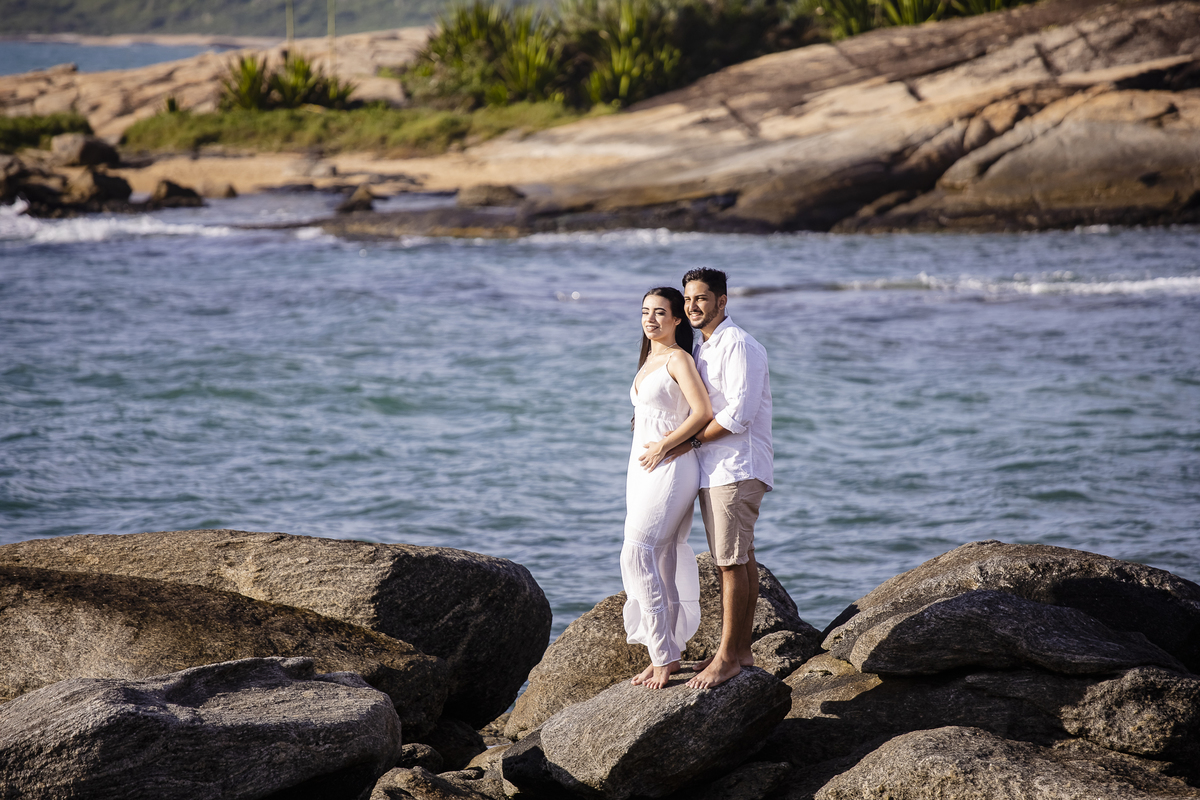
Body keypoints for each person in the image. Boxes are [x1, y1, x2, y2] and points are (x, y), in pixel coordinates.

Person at [668, 268, 773, 690]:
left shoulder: (739, 345)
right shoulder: (702, 347)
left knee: (728, 563)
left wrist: (689, 442)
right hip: (718, 468)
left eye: (701, 298)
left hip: (736, 467)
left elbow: (739, 414)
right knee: (740, 559)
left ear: (722, 301)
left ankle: (728, 658)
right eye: (688, 299)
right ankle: (740, 651)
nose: (692, 306)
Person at [621, 287, 714, 689]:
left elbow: (703, 412)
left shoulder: (679, 359)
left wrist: (665, 445)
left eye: (660, 312)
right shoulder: (649, 359)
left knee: (637, 552)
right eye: (645, 311)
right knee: (661, 558)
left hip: (672, 467)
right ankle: (669, 652)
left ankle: (661, 655)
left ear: (677, 319)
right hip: (641, 469)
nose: (650, 319)